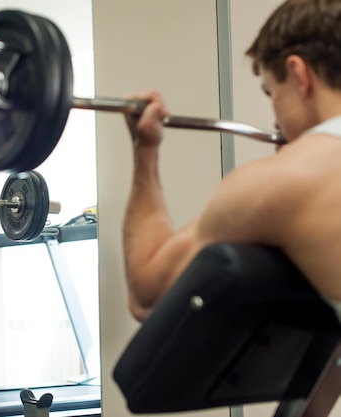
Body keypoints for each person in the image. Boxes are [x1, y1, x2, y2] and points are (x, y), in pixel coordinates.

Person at [123, 0, 341, 322]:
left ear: (298, 74)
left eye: (271, 93)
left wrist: (145, 150)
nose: (276, 122)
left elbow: (147, 294)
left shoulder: (285, 180)